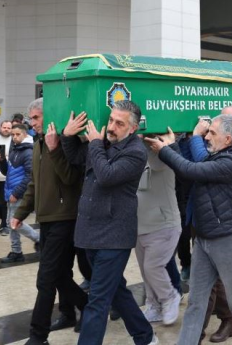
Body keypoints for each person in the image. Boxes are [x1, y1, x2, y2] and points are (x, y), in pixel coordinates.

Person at [146, 114, 232, 345]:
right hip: (205, 237)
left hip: (228, 239)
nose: (207, 135)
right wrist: (173, 145)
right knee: (196, 300)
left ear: (227, 139)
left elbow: (193, 171)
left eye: (212, 133)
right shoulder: (220, 154)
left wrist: (165, 150)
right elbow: (196, 164)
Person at [62, 101, 157, 345]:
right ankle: (145, 337)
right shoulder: (104, 144)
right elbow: (75, 157)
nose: (112, 126)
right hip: (91, 232)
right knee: (115, 291)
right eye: (111, 120)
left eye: (119, 123)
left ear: (133, 129)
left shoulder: (136, 151)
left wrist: (94, 142)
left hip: (114, 236)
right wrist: (68, 136)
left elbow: (106, 176)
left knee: (98, 299)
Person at [12, 98, 87, 344]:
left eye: (36, 118)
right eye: (31, 119)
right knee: (59, 273)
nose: (32, 123)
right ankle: (75, 309)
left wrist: (56, 149)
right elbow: (35, 183)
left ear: (50, 114)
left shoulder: (66, 142)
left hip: (66, 217)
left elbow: (69, 178)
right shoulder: (38, 144)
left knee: (45, 278)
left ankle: (38, 336)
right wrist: (20, 213)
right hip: (46, 218)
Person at [135, 134, 182, 326]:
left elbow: (156, 164)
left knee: (153, 267)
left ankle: (169, 296)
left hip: (163, 223)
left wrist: (143, 141)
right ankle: (153, 305)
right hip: (140, 223)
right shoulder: (134, 152)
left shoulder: (164, 153)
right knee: (146, 271)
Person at [0, 123, 39, 262]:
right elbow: (7, 172)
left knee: (14, 222)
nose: (14, 137)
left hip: (18, 193)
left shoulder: (28, 152)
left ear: (25, 134)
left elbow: (30, 176)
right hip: (10, 191)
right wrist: (2, 161)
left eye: (18, 134)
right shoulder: (15, 150)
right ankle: (16, 251)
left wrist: (16, 193)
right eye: (13, 135)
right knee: (11, 222)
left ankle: (38, 238)